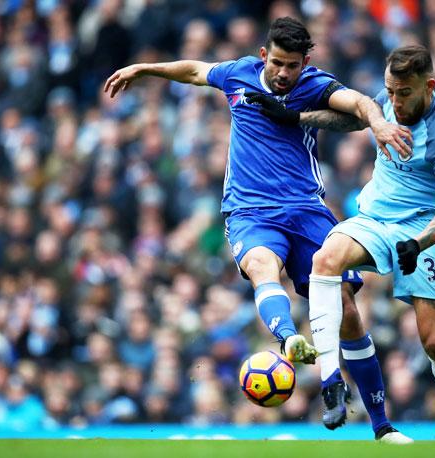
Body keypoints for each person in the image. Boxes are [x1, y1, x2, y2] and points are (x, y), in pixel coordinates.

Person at [104, 17, 412, 443]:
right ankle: (288, 340)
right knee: (263, 267)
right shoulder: (239, 74)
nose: (285, 73)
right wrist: (145, 69)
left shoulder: (314, 85)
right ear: (265, 56)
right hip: (249, 211)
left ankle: (382, 427)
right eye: (279, 63)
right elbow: (194, 70)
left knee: (346, 306)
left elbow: (360, 104)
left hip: (306, 208)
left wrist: (377, 124)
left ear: (306, 62)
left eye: (294, 66)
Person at [253, 45, 435, 441]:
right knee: (326, 259)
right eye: (390, 90)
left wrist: (419, 243)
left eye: (404, 92)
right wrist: (296, 117)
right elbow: (350, 122)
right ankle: (331, 379)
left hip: (421, 230)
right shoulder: (386, 102)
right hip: (374, 219)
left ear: (429, 85)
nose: (395, 101)